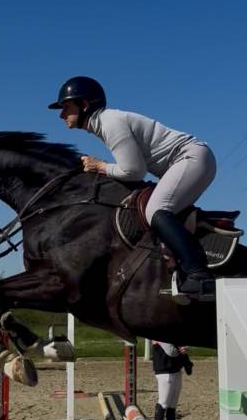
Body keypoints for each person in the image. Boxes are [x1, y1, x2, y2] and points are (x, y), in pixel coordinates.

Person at [48, 75, 217, 301]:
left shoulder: (110, 122)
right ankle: (180, 272)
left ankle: (199, 275)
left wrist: (101, 166)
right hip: (189, 161)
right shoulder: (104, 123)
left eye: (66, 107)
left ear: (85, 105)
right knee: (153, 210)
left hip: (190, 157)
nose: (62, 115)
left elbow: (134, 171)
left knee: (156, 210)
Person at [152, 340, 193, 420]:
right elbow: (171, 351)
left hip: (176, 370)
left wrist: (182, 349)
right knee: (163, 403)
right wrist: (181, 349)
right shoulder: (157, 331)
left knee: (172, 405)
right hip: (165, 371)